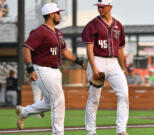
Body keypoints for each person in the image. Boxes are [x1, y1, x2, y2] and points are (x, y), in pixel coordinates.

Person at [16, 3, 85, 135]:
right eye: (58, 13)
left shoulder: (58, 33)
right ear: (52, 14)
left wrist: (79, 61)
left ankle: (24, 112)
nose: (60, 15)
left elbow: (64, 52)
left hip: (55, 70)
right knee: (58, 100)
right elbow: (26, 49)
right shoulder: (39, 31)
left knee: (49, 103)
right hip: (42, 69)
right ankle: (58, 133)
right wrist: (30, 69)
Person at [82, 0, 129, 135]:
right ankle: (91, 131)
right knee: (94, 98)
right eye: (99, 6)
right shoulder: (92, 25)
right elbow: (89, 49)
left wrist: (122, 66)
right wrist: (94, 68)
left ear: (110, 7)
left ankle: (121, 130)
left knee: (124, 94)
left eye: (102, 7)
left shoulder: (118, 25)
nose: (100, 9)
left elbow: (120, 49)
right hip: (97, 60)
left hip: (114, 62)